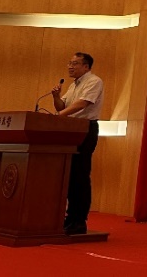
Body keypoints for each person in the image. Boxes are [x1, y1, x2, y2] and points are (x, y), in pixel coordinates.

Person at [51, 52, 104, 235]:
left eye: (75, 63)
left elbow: (82, 104)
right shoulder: (74, 85)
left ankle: (79, 220)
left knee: (80, 175)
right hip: (71, 129)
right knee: (70, 175)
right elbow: (62, 106)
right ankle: (70, 218)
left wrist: (58, 117)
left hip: (85, 129)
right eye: (69, 63)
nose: (70, 66)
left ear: (86, 66)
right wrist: (56, 97)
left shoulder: (94, 81)